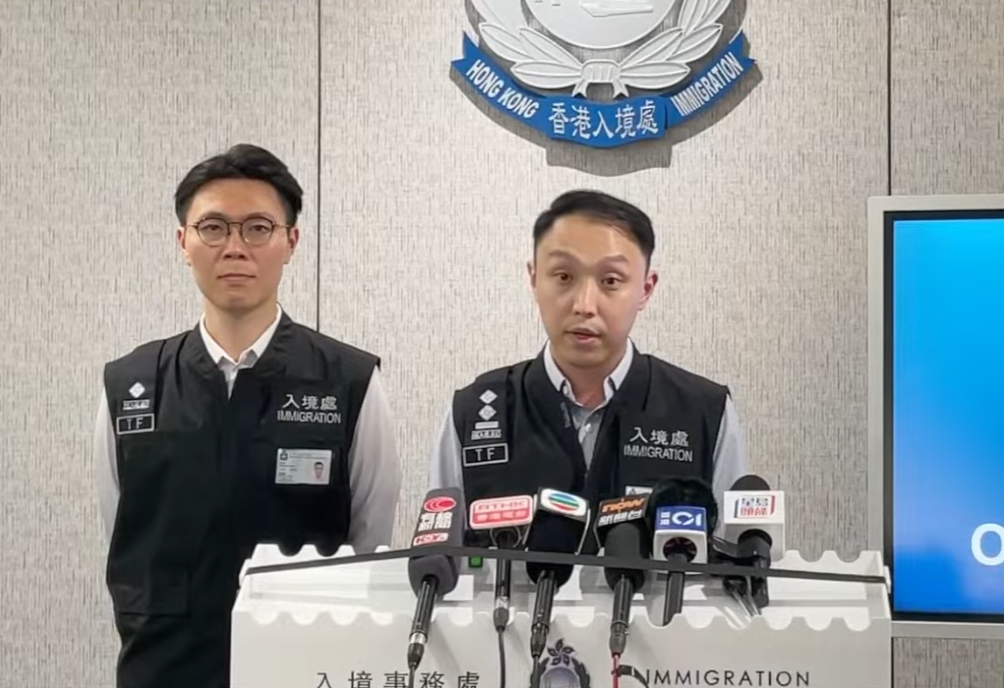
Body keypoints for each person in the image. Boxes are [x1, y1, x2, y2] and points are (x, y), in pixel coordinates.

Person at [93, 143, 401, 688]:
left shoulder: (350, 382)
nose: (235, 247)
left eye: (258, 228)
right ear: (183, 243)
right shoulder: (131, 386)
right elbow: (122, 526)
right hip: (165, 668)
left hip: (306, 666)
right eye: (213, 228)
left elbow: (369, 545)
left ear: (291, 242)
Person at [428, 189, 748, 545]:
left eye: (610, 281)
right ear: (534, 278)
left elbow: (734, 560)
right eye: (564, 276)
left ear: (645, 289)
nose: (584, 304)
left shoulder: (705, 412)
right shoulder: (474, 412)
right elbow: (438, 557)